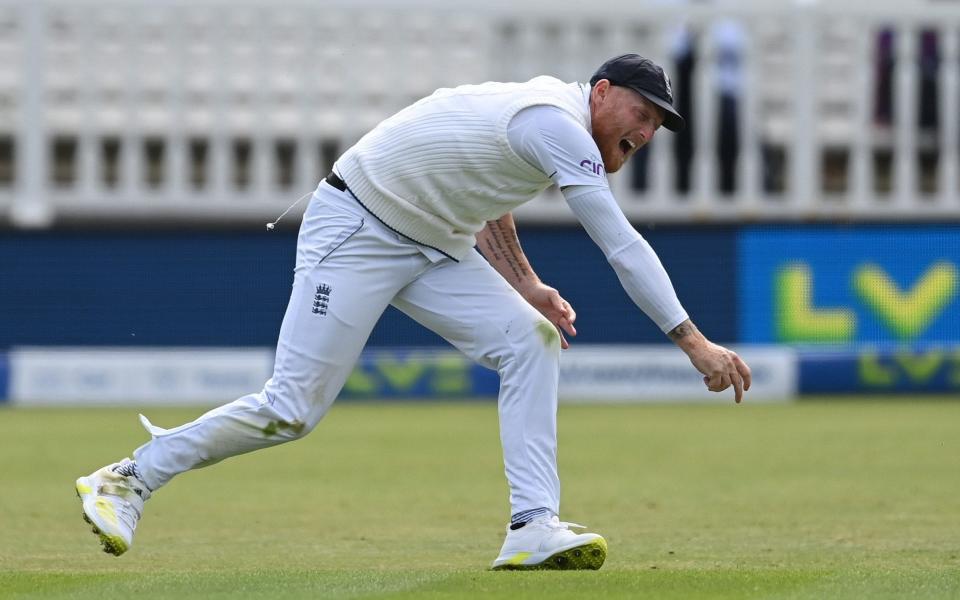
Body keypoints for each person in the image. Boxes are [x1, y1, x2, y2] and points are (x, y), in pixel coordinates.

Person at [76, 54, 752, 571]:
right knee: (291, 409)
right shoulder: (556, 122)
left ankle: (532, 527)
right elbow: (621, 245)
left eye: (657, 126)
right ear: (601, 93)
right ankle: (129, 477)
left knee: (532, 339)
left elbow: (486, 187)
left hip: (433, 242)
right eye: (642, 113)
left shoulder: (548, 123)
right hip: (357, 228)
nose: (647, 131)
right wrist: (694, 342)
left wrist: (526, 284)